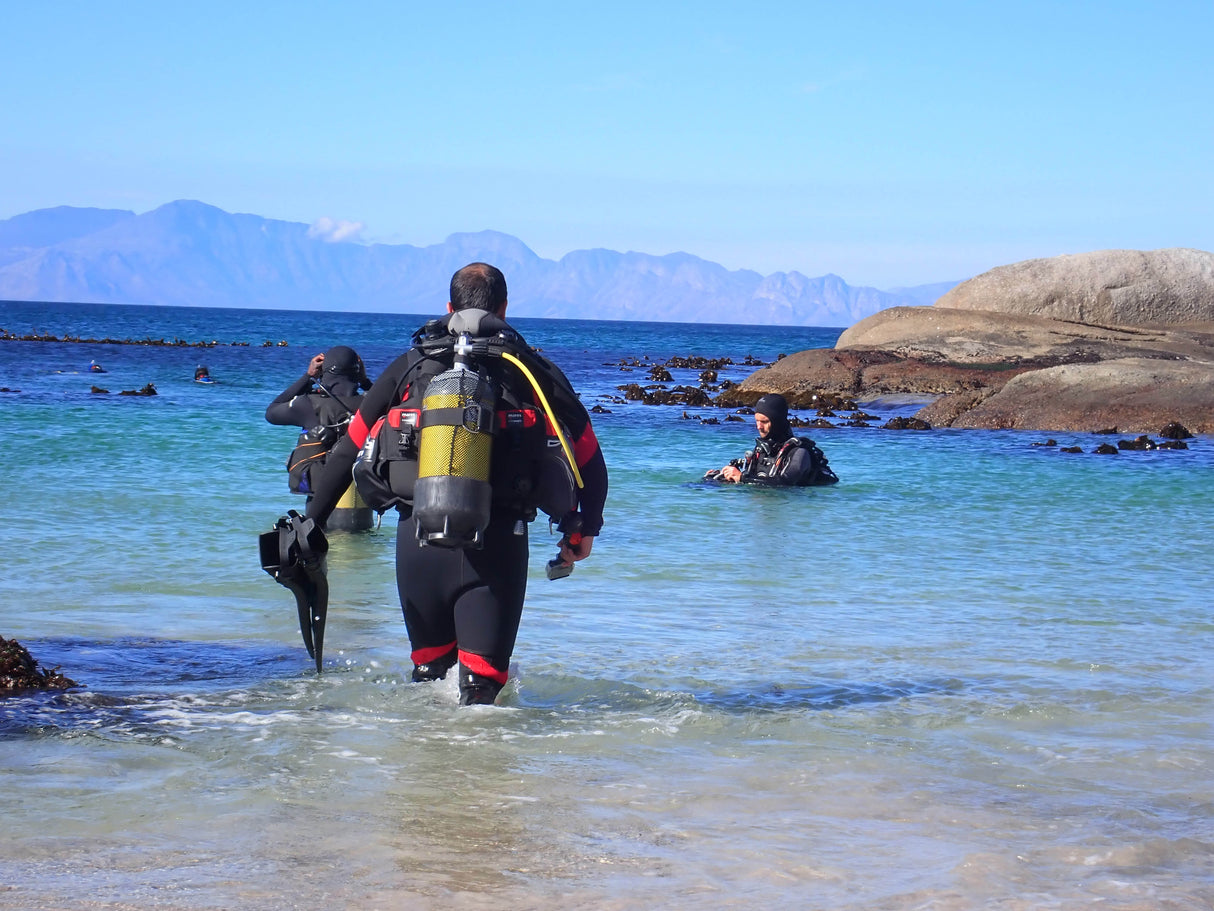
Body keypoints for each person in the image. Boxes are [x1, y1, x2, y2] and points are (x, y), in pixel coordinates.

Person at [300, 263, 608, 704]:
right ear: (504, 308)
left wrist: (311, 524)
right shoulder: (533, 372)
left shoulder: (409, 367)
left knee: (428, 680)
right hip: (497, 545)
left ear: (448, 308)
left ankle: (418, 772)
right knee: (481, 694)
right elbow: (591, 462)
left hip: (416, 542)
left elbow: (346, 451)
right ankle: (476, 772)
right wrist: (584, 529)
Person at [265, 345, 372, 521]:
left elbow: (271, 412)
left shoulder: (308, 404)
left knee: (320, 541)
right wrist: (365, 380)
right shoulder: (370, 405)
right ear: (357, 373)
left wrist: (308, 377)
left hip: (319, 501)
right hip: (359, 505)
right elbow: (392, 403)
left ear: (325, 371)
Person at [705, 393, 838, 486]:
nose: (758, 427)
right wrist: (722, 477)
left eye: (764, 421)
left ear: (778, 421)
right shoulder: (761, 449)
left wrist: (742, 478)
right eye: (756, 421)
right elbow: (752, 480)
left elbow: (786, 483)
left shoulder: (799, 452)